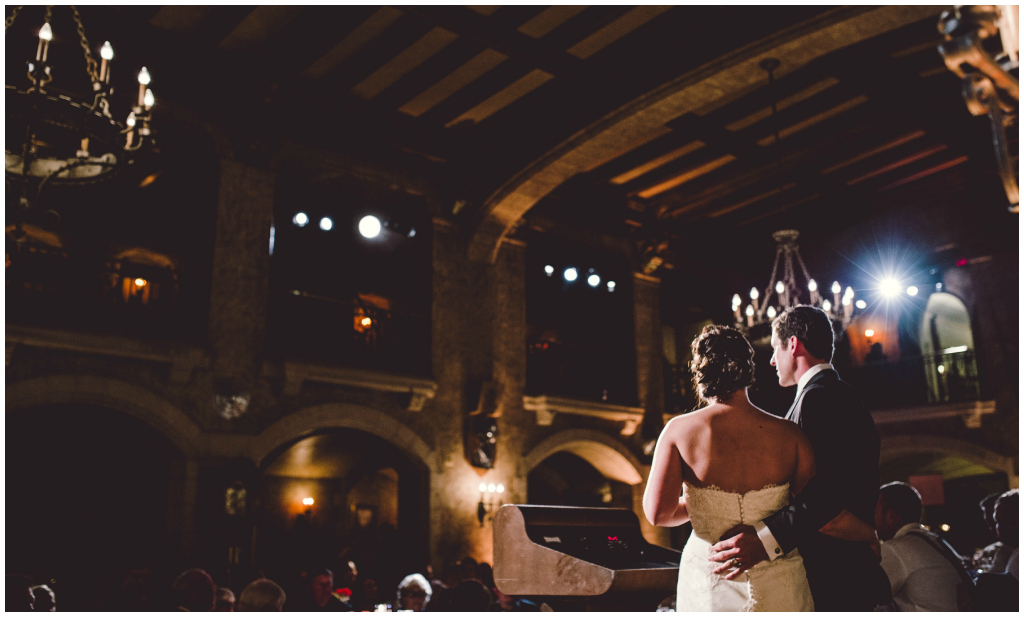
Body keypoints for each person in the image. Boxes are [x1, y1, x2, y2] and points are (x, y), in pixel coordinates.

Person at [643, 324, 877, 611]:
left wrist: (701, 504)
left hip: (710, 581)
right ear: (747, 370)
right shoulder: (790, 435)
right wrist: (867, 533)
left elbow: (658, 513)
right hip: (780, 580)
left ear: (700, 373)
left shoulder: (678, 432)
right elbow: (819, 510)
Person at [706, 307, 891, 611]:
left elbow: (824, 499)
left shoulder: (820, 398)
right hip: (843, 566)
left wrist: (763, 540)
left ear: (793, 345)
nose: (771, 360)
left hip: (838, 575)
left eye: (775, 348)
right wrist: (866, 531)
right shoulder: (832, 394)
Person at [875, 482, 973, 611]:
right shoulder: (936, 541)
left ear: (891, 515)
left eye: (874, 512)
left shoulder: (896, 548)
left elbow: (865, 595)